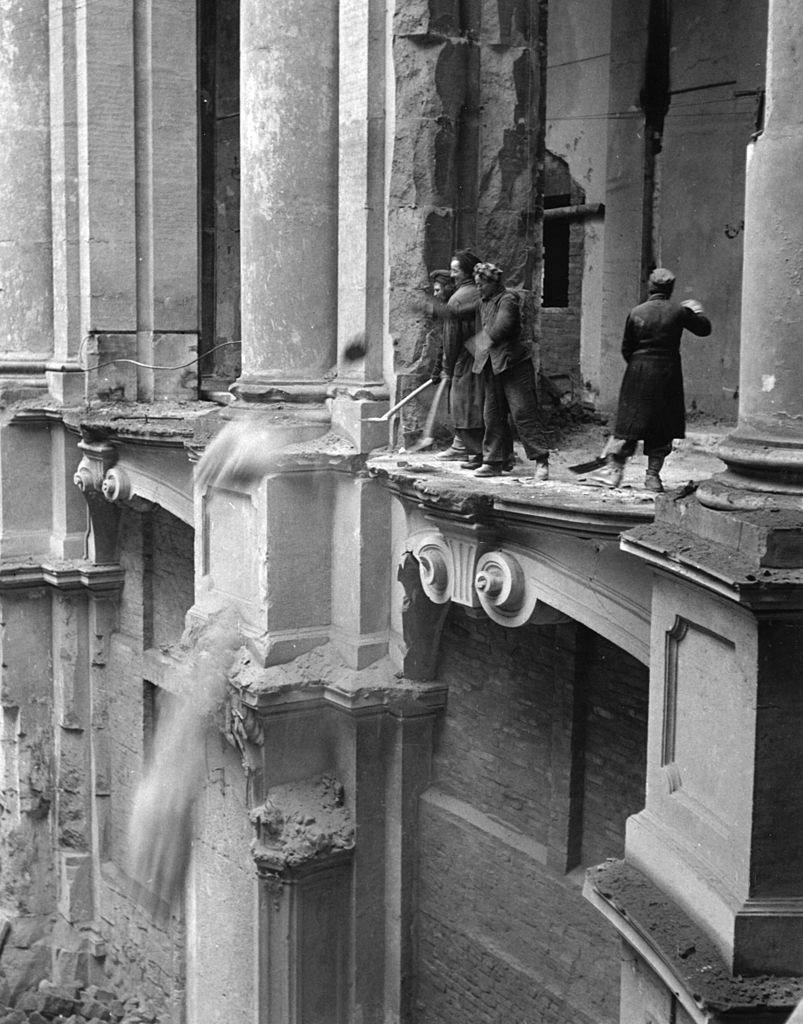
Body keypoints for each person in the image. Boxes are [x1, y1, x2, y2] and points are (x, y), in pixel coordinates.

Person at [591, 267, 712, 491]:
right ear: (671, 288)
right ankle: (652, 477)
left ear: (650, 286)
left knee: (628, 426)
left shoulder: (636, 312)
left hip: (638, 372)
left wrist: (639, 366)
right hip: (668, 373)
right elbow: (704, 329)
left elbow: (627, 347)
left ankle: (614, 474)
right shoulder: (680, 312)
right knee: (662, 426)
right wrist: (698, 311)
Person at [472, 262, 549, 480]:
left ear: (492, 283)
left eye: (481, 285)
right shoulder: (483, 301)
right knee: (492, 415)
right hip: (492, 365)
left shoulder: (508, 300)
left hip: (513, 364)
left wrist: (478, 343)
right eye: (476, 285)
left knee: (523, 413)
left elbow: (503, 326)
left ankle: (541, 460)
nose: (478, 289)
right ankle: (493, 461)